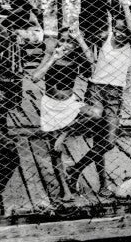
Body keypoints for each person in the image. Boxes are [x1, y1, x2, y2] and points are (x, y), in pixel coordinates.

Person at [65, 4, 131, 196]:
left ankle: (75, 168)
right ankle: (103, 182)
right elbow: (89, 53)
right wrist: (79, 38)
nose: (119, 33)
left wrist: (123, 4)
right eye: (117, 28)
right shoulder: (106, 38)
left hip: (115, 94)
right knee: (98, 127)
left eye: (123, 30)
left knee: (108, 141)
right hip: (96, 88)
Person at [31, 27, 95, 201]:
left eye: (69, 42)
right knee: (55, 150)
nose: (65, 44)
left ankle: (65, 133)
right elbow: (36, 78)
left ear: (75, 46)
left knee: (95, 113)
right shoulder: (52, 54)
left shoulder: (76, 58)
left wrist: (80, 40)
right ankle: (65, 189)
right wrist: (53, 58)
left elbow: (92, 63)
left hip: (68, 103)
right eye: (62, 40)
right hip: (50, 105)